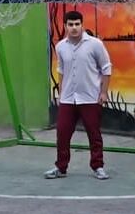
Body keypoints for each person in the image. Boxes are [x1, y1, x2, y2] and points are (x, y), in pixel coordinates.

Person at [45, 10, 112, 180]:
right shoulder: (60, 46)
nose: (74, 28)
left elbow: (106, 68)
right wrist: (61, 92)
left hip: (90, 97)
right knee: (62, 133)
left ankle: (98, 166)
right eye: (70, 24)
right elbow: (61, 69)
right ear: (65, 26)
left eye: (77, 24)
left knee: (94, 134)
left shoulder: (95, 44)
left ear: (82, 25)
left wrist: (103, 92)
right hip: (68, 98)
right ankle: (61, 167)